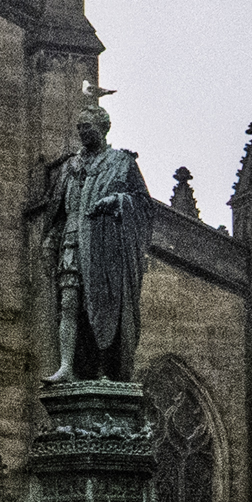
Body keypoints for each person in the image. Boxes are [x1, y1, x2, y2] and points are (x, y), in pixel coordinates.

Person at [44, 100, 152, 383]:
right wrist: (50, 239)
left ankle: (106, 368)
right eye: (79, 126)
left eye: (87, 126)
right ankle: (66, 366)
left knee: (103, 305)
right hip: (71, 239)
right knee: (69, 303)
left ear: (104, 128)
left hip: (105, 247)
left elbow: (143, 203)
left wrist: (117, 200)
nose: (82, 131)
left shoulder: (122, 162)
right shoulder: (70, 166)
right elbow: (58, 212)